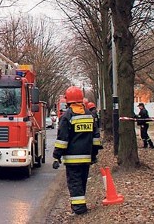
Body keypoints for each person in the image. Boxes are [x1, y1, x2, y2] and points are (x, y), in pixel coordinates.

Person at [52, 86, 102, 215]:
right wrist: (94, 154)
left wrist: (57, 155)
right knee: (82, 181)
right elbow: (96, 137)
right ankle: (80, 206)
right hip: (87, 157)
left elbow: (62, 139)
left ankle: (79, 209)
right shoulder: (89, 115)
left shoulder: (67, 116)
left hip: (72, 159)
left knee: (75, 183)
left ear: (68, 100)